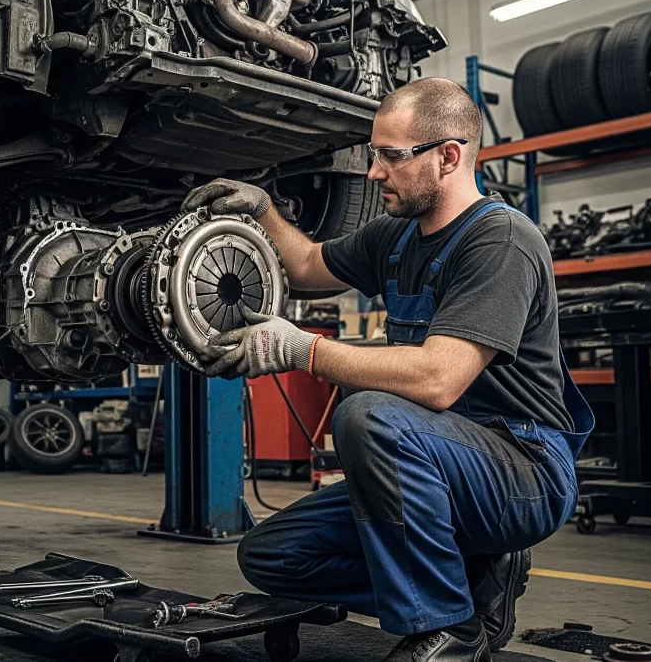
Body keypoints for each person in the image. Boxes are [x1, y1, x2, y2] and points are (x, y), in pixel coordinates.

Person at [184, 77, 594, 662]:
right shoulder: (396, 237)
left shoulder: (501, 241)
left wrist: (301, 350)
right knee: (272, 555)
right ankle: (473, 581)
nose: (374, 172)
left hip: (520, 472)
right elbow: (304, 264)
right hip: (435, 461)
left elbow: (438, 379)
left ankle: (450, 630)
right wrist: (262, 209)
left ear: (448, 156)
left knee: (370, 416)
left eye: (389, 156)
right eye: (374, 153)